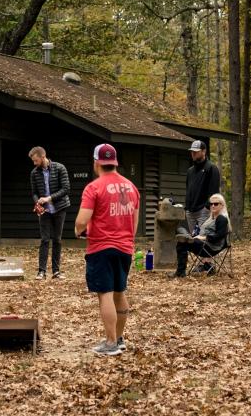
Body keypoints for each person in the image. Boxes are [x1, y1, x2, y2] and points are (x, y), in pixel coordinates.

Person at [74, 143, 140, 356]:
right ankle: (119, 338)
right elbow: (135, 222)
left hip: (101, 247)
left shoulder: (94, 187)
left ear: (97, 163)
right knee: (120, 292)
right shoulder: (132, 187)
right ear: (115, 162)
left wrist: (79, 230)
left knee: (105, 294)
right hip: (125, 247)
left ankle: (110, 342)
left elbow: (82, 221)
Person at [29, 146, 71, 279]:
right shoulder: (34, 173)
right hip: (45, 210)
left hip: (59, 208)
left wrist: (49, 198)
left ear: (43, 157)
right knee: (45, 240)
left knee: (57, 239)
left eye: (36, 160)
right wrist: (38, 203)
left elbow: (66, 189)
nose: (34, 163)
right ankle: (41, 271)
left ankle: (56, 271)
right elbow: (34, 192)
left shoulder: (60, 168)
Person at [174, 193, 230, 277]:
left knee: (182, 243)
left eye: (216, 204)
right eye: (211, 204)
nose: (213, 206)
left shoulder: (221, 218)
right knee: (183, 237)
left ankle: (180, 272)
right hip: (206, 244)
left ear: (222, 205)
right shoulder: (212, 218)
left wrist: (202, 237)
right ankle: (186, 236)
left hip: (211, 247)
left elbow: (218, 237)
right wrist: (196, 236)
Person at [184, 140, 221, 235]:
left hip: (203, 211)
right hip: (190, 211)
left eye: (196, 152)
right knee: (193, 240)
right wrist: (187, 207)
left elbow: (214, 192)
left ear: (204, 152)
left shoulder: (211, 168)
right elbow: (188, 190)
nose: (193, 154)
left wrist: (207, 207)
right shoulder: (190, 171)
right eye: (192, 151)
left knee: (202, 239)